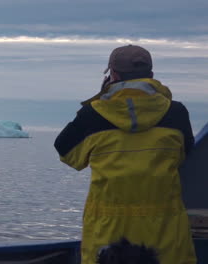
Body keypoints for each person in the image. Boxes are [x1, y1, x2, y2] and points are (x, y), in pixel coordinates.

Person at [54, 45, 197, 264]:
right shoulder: (176, 114)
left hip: (108, 241)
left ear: (113, 75)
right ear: (151, 75)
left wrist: (98, 100)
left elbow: (65, 151)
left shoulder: (93, 115)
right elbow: (184, 156)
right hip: (167, 242)